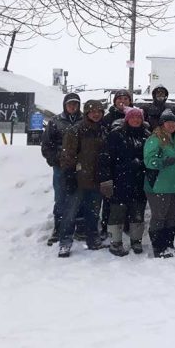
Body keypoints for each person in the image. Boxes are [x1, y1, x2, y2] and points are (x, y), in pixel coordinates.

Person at [57, 99, 108, 257]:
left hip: (96, 178)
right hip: (78, 177)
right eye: (92, 111)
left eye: (99, 111)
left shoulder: (103, 130)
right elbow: (67, 154)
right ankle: (65, 242)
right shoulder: (76, 130)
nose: (96, 114)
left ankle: (93, 239)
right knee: (70, 212)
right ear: (86, 113)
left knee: (93, 212)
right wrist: (69, 174)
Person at [98, 106, 150, 256]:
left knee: (137, 212)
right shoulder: (116, 135)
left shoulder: (147, 136)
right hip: (119, 180)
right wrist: (106, 179)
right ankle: (115, 242)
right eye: (133, 117)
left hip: (139, 180)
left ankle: (136, 240)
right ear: (127, 119)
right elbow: (105, 159)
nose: (136, 120)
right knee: (117, 213)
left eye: (138, 117)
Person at [143, 109, 175, 258]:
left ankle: (168, 245)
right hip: (158, 185)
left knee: (171, 217)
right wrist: (162, 162)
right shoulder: (155, 139)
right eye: (167, 122)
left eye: (173, 122)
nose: (171, 125)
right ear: (162, 124)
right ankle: (158, 247)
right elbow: (148, 160)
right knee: (159, 216)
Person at [41, 92, 82, 245]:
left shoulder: (85, 120)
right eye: (70, 104)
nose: (73, 106)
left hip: (80, 167)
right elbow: (47, 145)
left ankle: (79, 228)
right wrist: (56, 160)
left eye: (75, 103)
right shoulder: (55, 121)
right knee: (60, 198)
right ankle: (58, 228)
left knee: (80, 197)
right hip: (61, 167)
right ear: (65, 105)